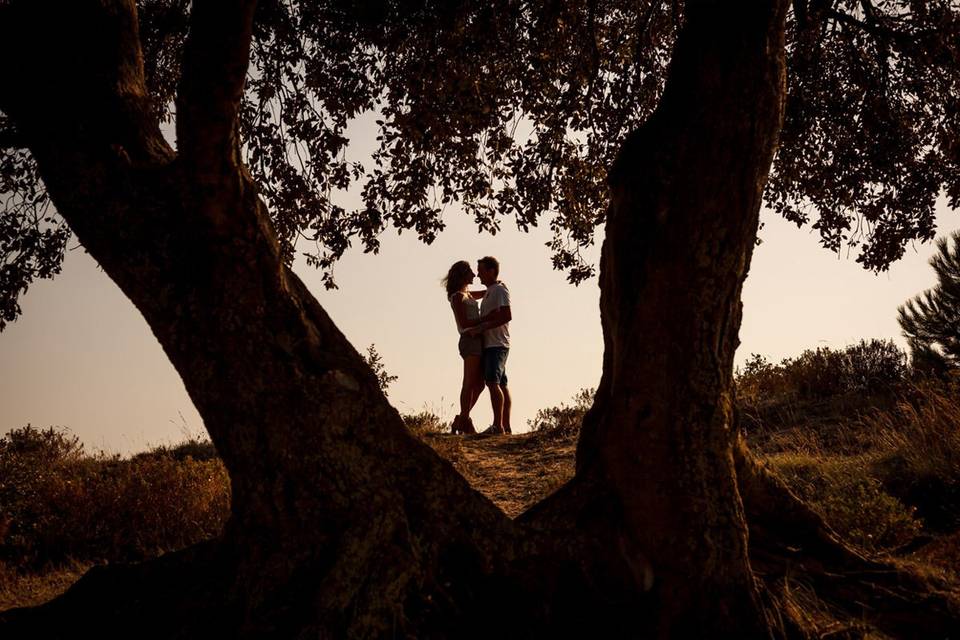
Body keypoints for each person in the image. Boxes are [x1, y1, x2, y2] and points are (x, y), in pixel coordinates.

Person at [468, 256, 512, 435]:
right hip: (492, 344)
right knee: (501, 384)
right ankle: (505, 426)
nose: (478, 275)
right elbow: (472, 295)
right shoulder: (490, 291)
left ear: (491, 271)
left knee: (492, 382)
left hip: (497, 344)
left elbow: (506, 315)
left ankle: (498, 426)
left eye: (481, 271)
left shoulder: (499, 291)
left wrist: (482, 327)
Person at [443, 260, 486, 434]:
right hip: (469, 340)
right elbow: (464, 322)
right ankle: (464, 420)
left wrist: (493, 287)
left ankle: (462, 418)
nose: (474, 275)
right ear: (463, 275)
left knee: (480, 383)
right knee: (469, 382)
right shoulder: (457, 297)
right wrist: (486, 318)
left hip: (477, 340)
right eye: (470, 272)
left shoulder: (466, 294)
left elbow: (480, 294)